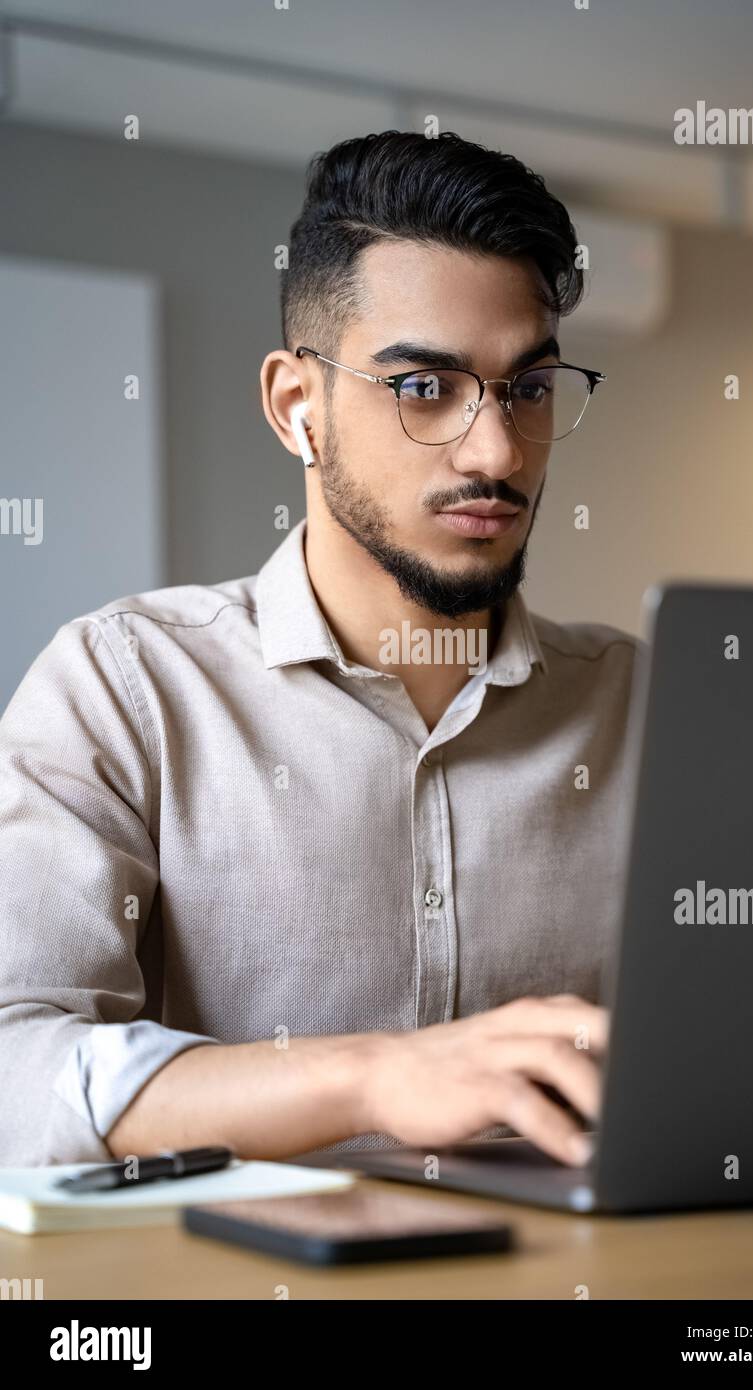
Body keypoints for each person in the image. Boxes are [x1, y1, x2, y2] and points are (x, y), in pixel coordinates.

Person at [0, 131, 638, 1167]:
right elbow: (13, 1070)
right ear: (297, 407)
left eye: (526, 388)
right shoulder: (123, 687)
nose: (493, 449)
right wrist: (373, 1075)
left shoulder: (646, 709)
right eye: (423, 387)